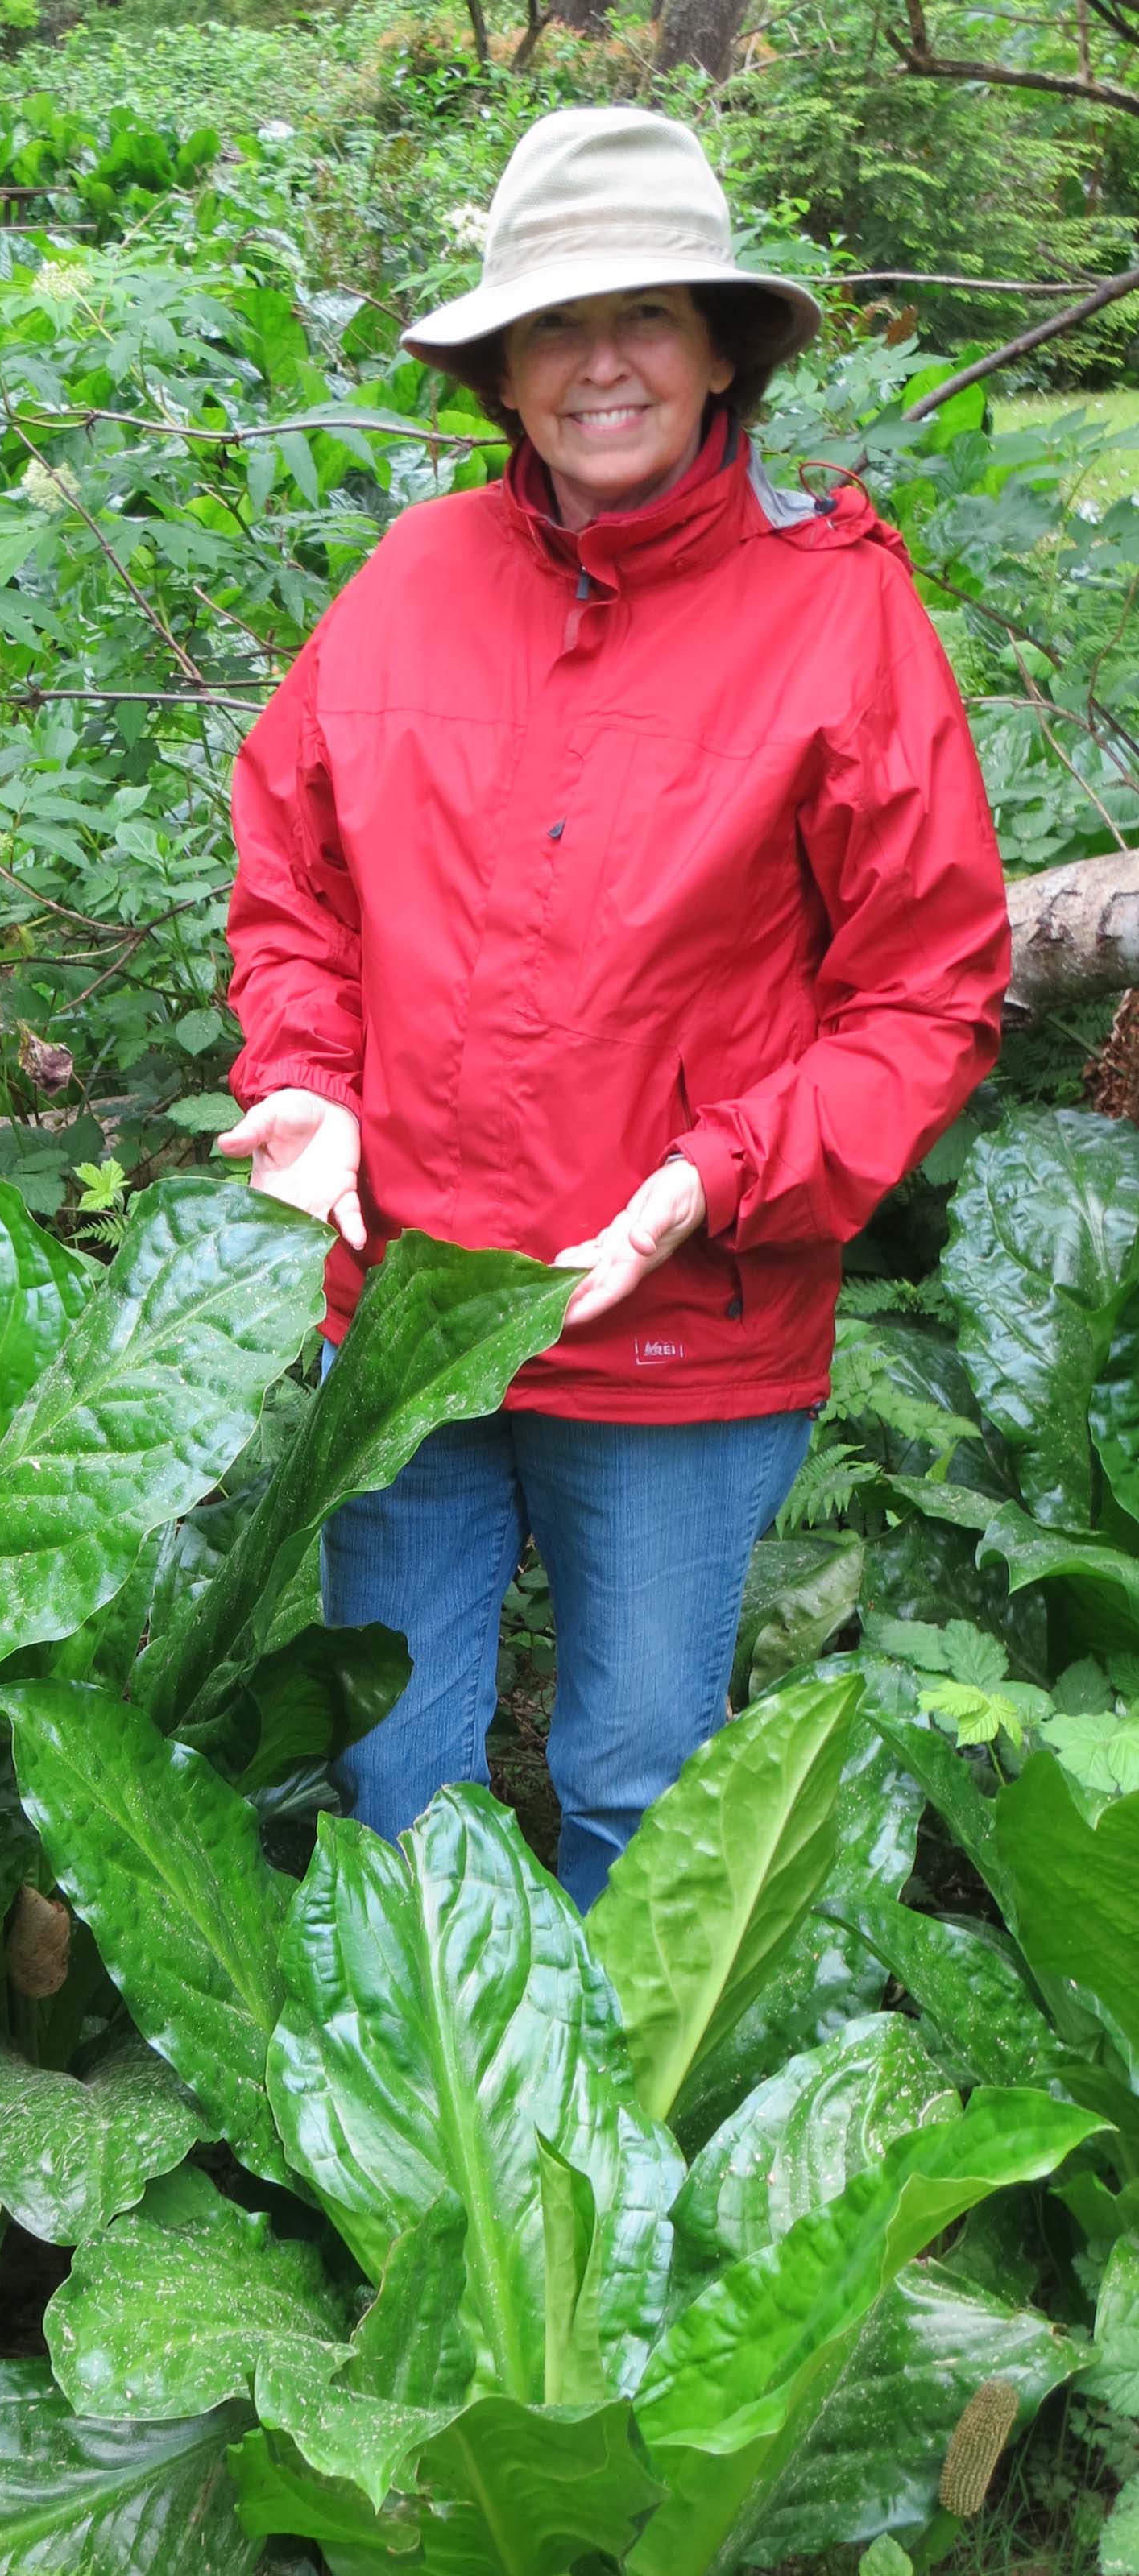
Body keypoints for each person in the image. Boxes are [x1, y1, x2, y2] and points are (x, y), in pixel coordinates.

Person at [216, 105, 1010, 1911]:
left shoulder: (838, 618)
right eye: (553, 325)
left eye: (643, 314)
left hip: (680, 1324)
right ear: (499, 373)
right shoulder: (411, 581)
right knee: (387, 1777)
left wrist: (708, 1181)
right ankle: (425, 2089)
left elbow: (925, 994)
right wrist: (307, 1078)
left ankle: (610, 2104)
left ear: (720, 350)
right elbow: (292, 879)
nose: (597, 365)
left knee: (639, 1787)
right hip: (407, 1299)